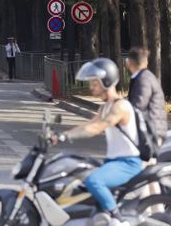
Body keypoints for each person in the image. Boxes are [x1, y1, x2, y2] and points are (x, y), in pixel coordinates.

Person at [51, 58, 142, 225]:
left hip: (128, 163)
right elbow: (88, 124)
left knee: (94, 180)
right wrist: (62, 135)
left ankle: (118, 218)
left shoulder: (120, 106)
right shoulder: (105, 106)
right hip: (112, 161)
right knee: (79, 174)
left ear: (106, 81)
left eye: (95, 83)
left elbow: (96, 128)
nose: (91, 87)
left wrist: (66, 137)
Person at [125, 47, 168, 205]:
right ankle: (153, 211)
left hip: (150, 132)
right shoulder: (145, 76)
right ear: (146, 61)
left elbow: (138, 104)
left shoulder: (143, 78)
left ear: (129, 63)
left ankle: (144, 210)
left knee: (142, 172)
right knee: (148, 174)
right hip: (151, 130)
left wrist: (121, 111)